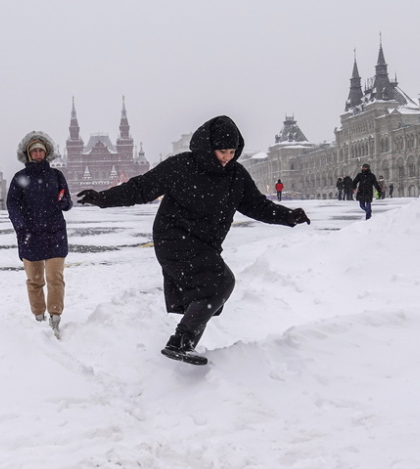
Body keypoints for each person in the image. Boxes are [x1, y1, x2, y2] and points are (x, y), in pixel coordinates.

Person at [76, 115, 310, 365]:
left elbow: (256, 205)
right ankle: (181, 341)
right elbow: (141, 188)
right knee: (221, 282)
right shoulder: (182, 166)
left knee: (214, 288)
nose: (227, 157)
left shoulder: (235, 175)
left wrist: (287, 216)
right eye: (222, 151)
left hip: (204, 244)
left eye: (232, 151)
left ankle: (182, 343)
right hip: (173, 237)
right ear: (209, 147)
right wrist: (103, 198)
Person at [7, 131, 73, 339]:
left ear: (46, 153)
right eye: (34, 150)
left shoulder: (56, 175)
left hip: (54, 232)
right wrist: (21, 226)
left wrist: (64, 202)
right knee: (34, 281)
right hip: (30, 235)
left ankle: (55, 318)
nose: (37, 153)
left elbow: (67, 202)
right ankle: (38, 318)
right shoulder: (20, 178)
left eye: (40, 151)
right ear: (28, 154)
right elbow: (12, 204)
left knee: (55, 278)